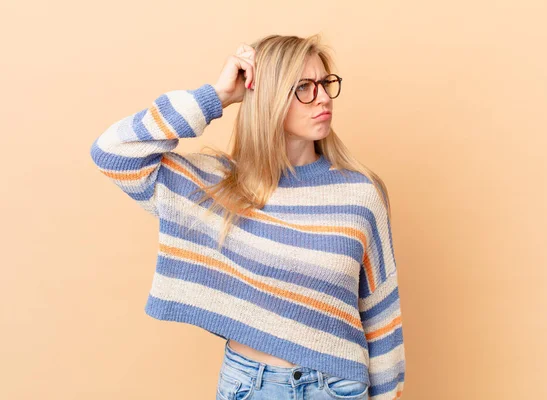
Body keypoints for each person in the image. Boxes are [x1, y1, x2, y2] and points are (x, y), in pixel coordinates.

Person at [90, 33, 405, 399]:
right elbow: (113, 153)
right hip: (250, 386)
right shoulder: (219, 185)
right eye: (303, 87)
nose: (321, 97)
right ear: (267, 97)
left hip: (335, 388)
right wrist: (218, 96)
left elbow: (381, 310)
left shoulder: (360, 193)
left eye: (324, 83)